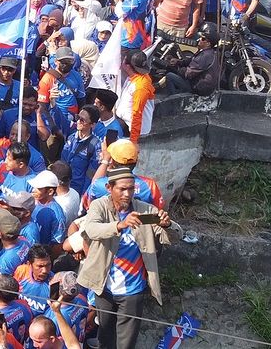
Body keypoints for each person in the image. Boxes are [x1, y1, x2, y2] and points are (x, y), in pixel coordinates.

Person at [76, 166, 182, 349]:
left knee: (126, 343)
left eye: (131, 189)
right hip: (104, 287)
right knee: (105, 338)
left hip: (133, 290)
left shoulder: (145, 211)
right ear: (110, 188)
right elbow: (92, 229)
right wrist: (119, 225)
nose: (127, 194)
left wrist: (167, 225)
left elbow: (173, 237)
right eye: (122, 189)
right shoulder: (100, 206)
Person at [162, 24, 221, 97]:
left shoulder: (205, 56)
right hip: (200, 84)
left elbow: (188, 74)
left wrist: (176, 68)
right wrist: (178, 62)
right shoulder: (208, 52)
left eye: (202, 39)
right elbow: (190, 60)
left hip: (199, 88)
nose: (199, 40)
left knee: (169, 76)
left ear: (208, 43)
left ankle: (174, 100)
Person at [116, 51, 155, 145]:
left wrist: (133, 140)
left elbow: (137, 114)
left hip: (132, 128)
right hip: (125, 121)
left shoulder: (140, 86)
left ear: (128, 66)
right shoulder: (137, 77)